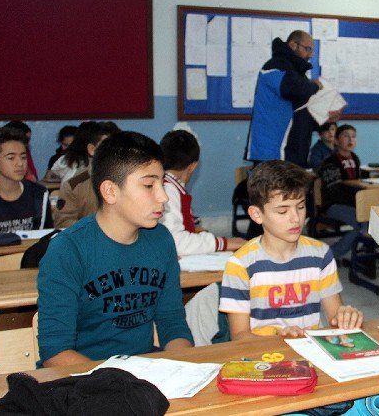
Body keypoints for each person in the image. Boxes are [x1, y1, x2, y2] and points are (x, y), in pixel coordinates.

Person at [37, 131, 194, 367]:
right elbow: (56, 353)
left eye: (161, 184)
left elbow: (173, 325)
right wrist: (120, 382)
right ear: (110, 191)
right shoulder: (67, 250)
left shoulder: (161, 240)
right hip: (80, 379)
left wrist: (181, 367)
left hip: (140, 373)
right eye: (149, 185)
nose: (163, 197)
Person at [219, 160, 362, 340]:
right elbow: (240, 337)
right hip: (263, 357)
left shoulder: (320, 254)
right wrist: (280, 339)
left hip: (310, 352)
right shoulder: (240, 265)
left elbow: (335, 319)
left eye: (300, 207)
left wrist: (346, 317)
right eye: (282, 211)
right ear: (257, 214)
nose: (295, 218)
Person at [244, 30, 340, 168]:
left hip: (294, 154)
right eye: (307, 49)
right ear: (293, 45)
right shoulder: (274, 66)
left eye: (312, 51)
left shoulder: (298, 76)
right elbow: (292, 88)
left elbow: (302, 116)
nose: (310, 55)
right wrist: (314, 86)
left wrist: (326, 119)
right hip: (272, 154)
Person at [159, 130, 246, 256]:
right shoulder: (168, 191)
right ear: (193, 166)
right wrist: (223, 243)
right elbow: (176, 242)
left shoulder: (170, 185)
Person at [52, 121, 120, 228]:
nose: (113, 153)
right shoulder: (73, 185)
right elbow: (63, 223)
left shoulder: (131, 181)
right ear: (92, 149)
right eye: (107, 148)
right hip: (88, 241)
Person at [316, 124, 367, 264]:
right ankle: (330, 256)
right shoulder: (330, 162)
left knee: (367, 222)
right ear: (336, 141)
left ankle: (356, 253)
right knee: (363, 223)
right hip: (333, 204)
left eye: (353, 136)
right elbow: (335, 191)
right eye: (346, 136)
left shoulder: (354, 158)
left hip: (353, 203)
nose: (350, 139)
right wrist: (359, 203)